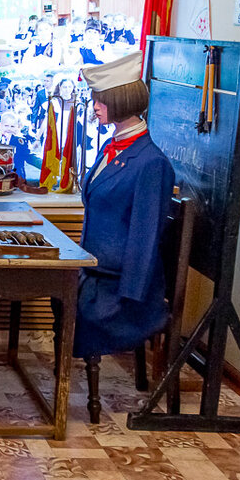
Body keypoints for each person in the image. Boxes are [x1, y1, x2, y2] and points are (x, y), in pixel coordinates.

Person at [73, 51, 175, 360]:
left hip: (121, 291)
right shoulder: (112, 146)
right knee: (55, 292)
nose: (94, 107)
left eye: (101, 101)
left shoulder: (151, 162)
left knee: (73, 305)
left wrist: (129, 297)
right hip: (94, 274)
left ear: (120, 101)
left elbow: (145, 237)